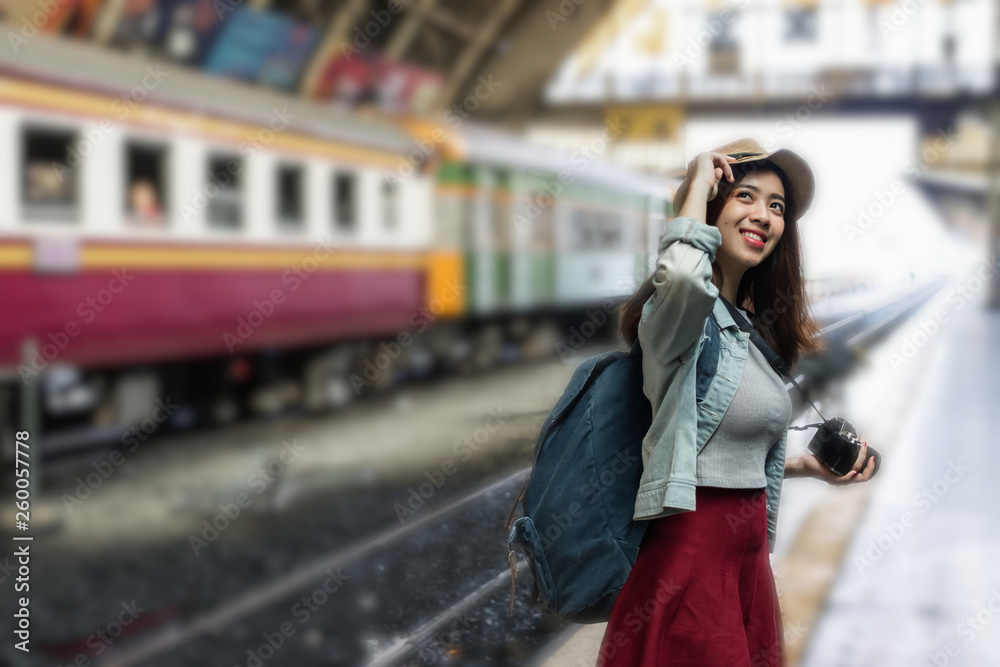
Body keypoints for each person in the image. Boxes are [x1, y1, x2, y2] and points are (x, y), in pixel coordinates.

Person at [598, 138, 878, 666]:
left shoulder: (743, 329)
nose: (765, 215)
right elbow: (681, 275)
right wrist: (697, 181)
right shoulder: (678, 318)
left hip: (746, 564)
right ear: (710, 210)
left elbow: (721, 451)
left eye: (777, 207)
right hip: (689, 564)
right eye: (745, 196)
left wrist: (804, 467)